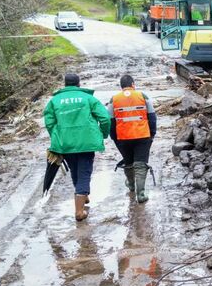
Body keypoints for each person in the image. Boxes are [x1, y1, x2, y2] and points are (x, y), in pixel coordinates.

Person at [43, 73, 111, 221]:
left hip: (65, 143)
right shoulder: (88, 98)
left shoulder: (54, 101)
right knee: (84, 172)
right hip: (86, 142)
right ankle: (79, 211)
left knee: (75, 170)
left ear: (65, 84)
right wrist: (103, 134)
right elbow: (105, 118)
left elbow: (49, 123)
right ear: (78, 84)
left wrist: (57, 136)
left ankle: (83, 195)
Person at [107, 74, 156, 203]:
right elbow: (152, 116)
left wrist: (114, 138)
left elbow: (110, 121)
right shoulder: (143, 96)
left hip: (123, 137)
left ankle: (131, 185)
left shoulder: (114, 99)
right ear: (133, 84)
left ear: (121, 86)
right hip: (142, 135)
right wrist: (152, 133)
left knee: (128, 162)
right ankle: (141, 194)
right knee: (140, 164)